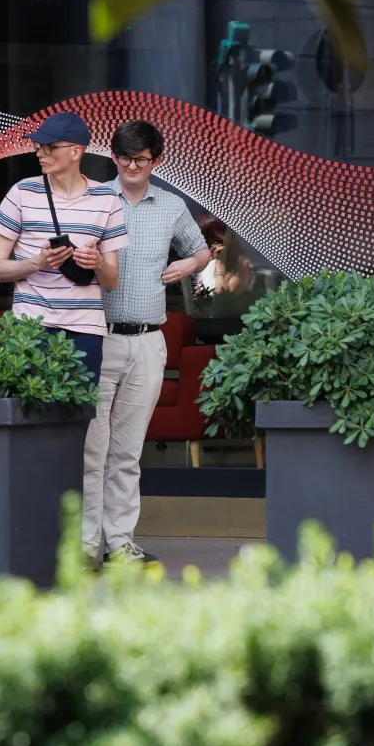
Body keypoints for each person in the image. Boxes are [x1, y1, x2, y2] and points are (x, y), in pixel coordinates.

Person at [86, 121, 211, 565]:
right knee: (91, 449)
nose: (132, 166)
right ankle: (85, 547)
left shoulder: (172, 205)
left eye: (141, 159)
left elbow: (202, 252)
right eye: (124, 158)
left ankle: (120, 543)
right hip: (98, 336)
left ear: (156, 160)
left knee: (127, 451)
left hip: (147, 339)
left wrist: (185, 267)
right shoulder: (95, 198)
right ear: (113, 158)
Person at [0, 112, 126, 385]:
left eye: (49, 147)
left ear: (76, 151)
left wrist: (97, 262)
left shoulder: (106, 198)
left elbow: (112, 281)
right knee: (27, 416)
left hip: (85, 329)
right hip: (30, 328)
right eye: (38, 146)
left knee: (79, 416)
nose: (40, 153)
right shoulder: (22, 193)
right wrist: (38, 262)